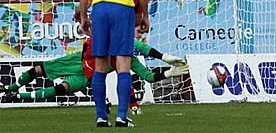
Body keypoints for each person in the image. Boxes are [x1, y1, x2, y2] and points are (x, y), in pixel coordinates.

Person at [79, 0, 150, 127]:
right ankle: (121, 116)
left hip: (100, 10)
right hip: (122, 9)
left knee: (100, 64)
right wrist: (144, 14)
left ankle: (101, 116)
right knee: (123, 64)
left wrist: (84, 16)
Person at [0, 38, 189, 113]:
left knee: (62, 89)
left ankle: (16, 97)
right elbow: (142, 46)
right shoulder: (118, 40)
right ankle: (11, 87)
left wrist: (169, 72)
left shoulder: (130, 60)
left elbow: (147, 76)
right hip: (77, 61)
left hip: (88, 75)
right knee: (38, 70)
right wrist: (164, 56)